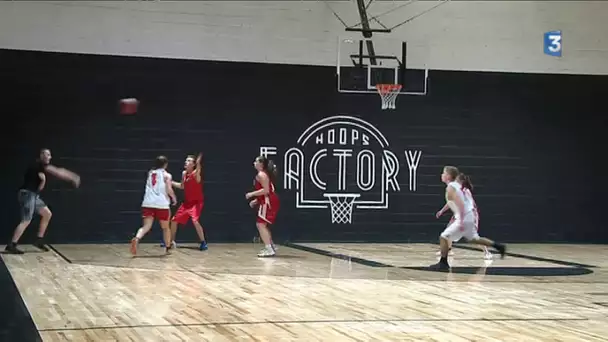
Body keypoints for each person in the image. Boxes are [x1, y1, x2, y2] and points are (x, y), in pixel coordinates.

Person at [5, 148, 80, 254]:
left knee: (47, 214)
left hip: (33, 195)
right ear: (40, 156)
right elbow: (58, 171)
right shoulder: (38, 165)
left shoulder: (40, 168)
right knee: (26, 220)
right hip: (27, 194)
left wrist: (43, 181)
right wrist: (73, 177)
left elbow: (40, 188)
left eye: (49, 155)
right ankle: (12, 245)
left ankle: (39, 240)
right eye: (45, 154)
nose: (47, 156)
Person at [431, 166, 506, 271]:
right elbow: (455, 202)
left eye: (443, 173)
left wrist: (461, 221)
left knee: (444, 237)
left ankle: (443, 263)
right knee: (474, 239)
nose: (441, 175)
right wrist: (443, 211)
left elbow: (461, 204)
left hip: (464, 216)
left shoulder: (451, 187)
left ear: (448, 176)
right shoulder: (457, 186)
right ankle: (498, 246)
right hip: (468, 215)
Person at [435, 173, 492, 259]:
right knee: (448, 231)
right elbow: (450, 202)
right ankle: (448, 250)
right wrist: (442, 211)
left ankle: (487, 252)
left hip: (469, 215)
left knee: (473, 237)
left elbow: (472, 206)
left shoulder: (466, 191)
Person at [130, 156, 177, 256]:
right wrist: (173, 198)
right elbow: (169, 189)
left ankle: (137, 238)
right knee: (165, 228)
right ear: (165, 164)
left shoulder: (150, 173)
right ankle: (168, 248)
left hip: (148, 202)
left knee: (146, 226)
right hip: (162, 204)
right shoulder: (167, 175)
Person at [164, 153, 208, 251]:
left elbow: (199, 169)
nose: (186, 162)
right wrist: (170, 182)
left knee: (195, 221)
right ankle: (170, 241)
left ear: (193, 164)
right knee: (174, 220)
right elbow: (182, 186)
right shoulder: (184, 174)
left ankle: (203, 242)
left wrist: (198, 163)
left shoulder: (196, 173)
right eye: (186, 160)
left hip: (196, 203)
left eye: (188, 161)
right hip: (187, 203)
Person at [245, 156, 280, 257]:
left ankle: (269, 248)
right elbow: (266, 190)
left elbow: (266, 191)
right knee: (262, 224)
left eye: (256, 161)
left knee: (260, 225)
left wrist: (252, 194)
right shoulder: (262, 174)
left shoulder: (261, 175)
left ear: (261, 164)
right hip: (267, 200)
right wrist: (256, 201)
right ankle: (271, 246)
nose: (254, 163)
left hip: (269, 202)